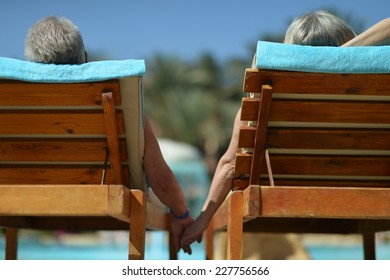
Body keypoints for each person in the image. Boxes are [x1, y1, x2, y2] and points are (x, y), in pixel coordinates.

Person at [179, 10, 390, 254]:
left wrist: (201, 221)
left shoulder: (267, 92)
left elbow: (230, 163)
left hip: (282, 193)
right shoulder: (378, 90)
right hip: (365, 190)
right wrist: (343, 56)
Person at [24, 16, 194, 252]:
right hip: (106, 198)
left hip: (27, 195)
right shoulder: (124, 106)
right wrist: (181, 213)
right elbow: (161, 180)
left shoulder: (13, 102)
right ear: (84, 58)